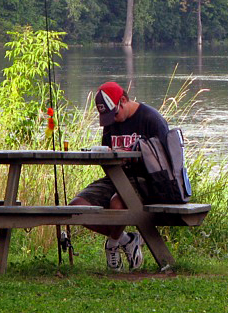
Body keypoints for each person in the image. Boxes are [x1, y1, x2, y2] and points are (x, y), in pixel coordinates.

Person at [70, 81, 169, 271]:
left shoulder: (150, 119)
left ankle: (112, 244)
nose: (112, 121)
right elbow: (107, 157)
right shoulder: (111, 123)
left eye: (113, 114)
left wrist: (134, 157)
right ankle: (126, 239)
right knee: (76, 208)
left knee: (117, 203)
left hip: (146, 180)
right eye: (106, 117)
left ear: (123, 100)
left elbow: (164, 159)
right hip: (115, 178)